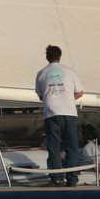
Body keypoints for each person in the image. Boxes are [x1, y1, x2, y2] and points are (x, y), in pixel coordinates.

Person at [34, 45, 84, 186]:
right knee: (72, 147)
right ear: (60, 56)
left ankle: (57, 179)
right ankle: (72, 179)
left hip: (51, 114)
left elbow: (41, 95)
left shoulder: (41, 73)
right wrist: (67, 97)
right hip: (69, 113)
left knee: (54, 147)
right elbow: (80, 92)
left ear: (47, 57)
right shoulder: (70, 72)